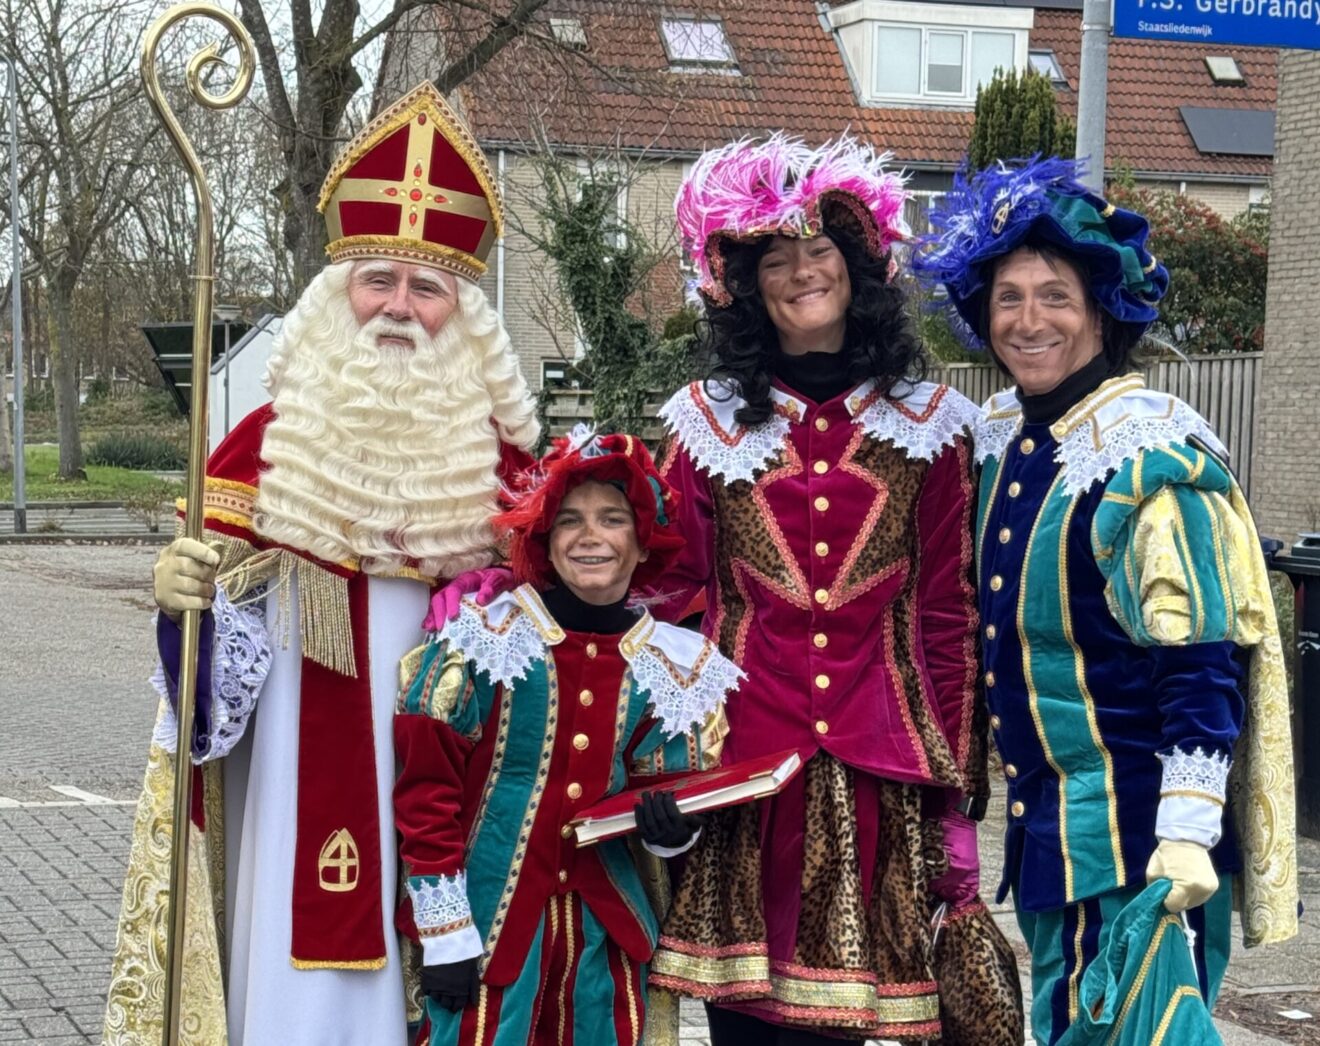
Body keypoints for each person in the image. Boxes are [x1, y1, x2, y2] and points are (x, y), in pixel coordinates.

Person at [102, 82, 540, 1046]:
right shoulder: (258, 450)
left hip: (461, 803)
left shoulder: (515, 480)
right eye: (375, 280)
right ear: (335, 295)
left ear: (463, 315)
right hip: (294, 788)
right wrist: (188, 609)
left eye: (426, 288)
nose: (396, 307)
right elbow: (208, 704)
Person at [642, 134, 1022, 1045]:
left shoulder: (932, 427)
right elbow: (672, 603)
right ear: (747, 285)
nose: (802, 272)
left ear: (860, 270)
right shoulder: (703, 426)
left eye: (821, 252)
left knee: (854, 1028)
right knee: (745, 1026)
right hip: (743, 782)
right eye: (776, 258)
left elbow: (946, 615)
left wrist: (957, 794)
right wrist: (662, 765)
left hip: (878, 781)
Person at [912, 156, 1297, 1045]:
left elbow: (1202, 660)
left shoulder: (1149, 457)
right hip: (1052, 836)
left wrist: (1188, 836)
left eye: (1055, 295)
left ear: (1099, 309)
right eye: (1008, 297)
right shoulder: (1008, 435)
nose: (1028, 319)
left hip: (1140, 841)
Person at [394, 429, 740, 1046]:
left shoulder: (671, 663)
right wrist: (443, 932)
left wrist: (669, 833)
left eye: (613, 519)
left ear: (640, 544)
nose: (590, 536)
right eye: (570, 521)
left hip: (605, 938)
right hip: (486, 930)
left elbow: (667, 790)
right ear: (546, 543)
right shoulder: (484, 639)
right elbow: (426, 790)